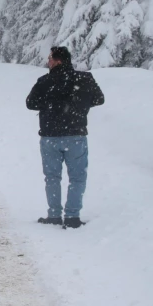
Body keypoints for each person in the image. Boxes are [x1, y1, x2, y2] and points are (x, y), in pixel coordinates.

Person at [25, 46, 105, 228]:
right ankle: (72, 217)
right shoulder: (84, 79)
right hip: (75, 135)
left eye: (50, 58)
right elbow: (99, 99)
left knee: (52, 177)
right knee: (77, 178)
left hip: (50, 137)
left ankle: (54, 215)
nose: (48, 61)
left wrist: (49, 104)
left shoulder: (45, 81)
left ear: (58, 60)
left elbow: (30, 103)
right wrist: (80, 105)